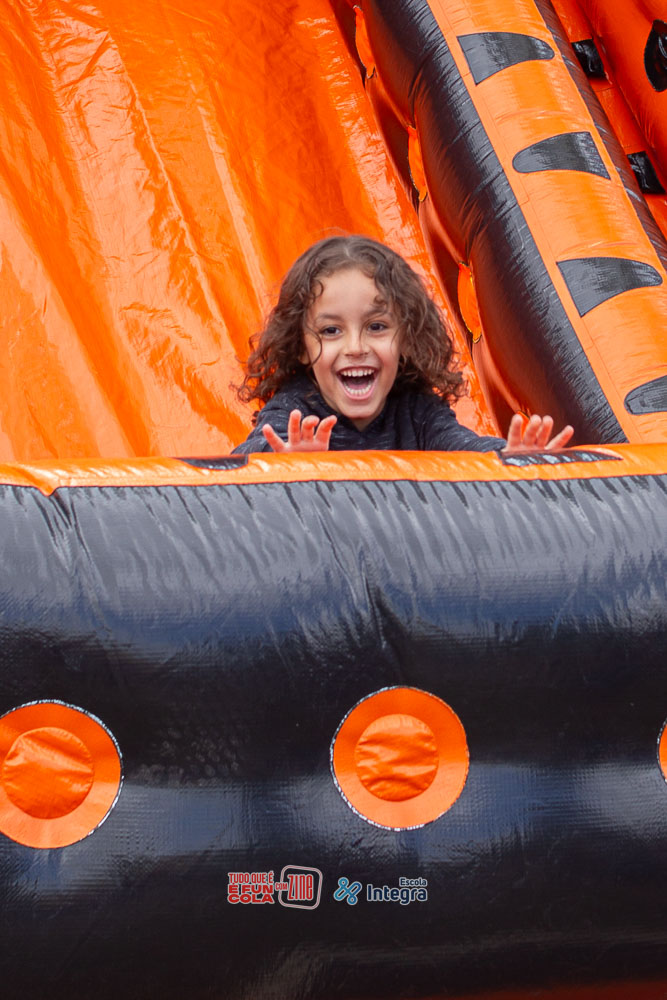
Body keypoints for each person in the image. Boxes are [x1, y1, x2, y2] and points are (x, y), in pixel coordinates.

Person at [233, 235, 574, 455]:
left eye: (376, 327)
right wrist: (283, 462)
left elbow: (463, 449)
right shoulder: (296, 410)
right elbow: (245, 460)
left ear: (407, 338)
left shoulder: (416, 412)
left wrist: (507, 458)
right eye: (331, 330)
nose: (355, 347)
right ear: (301, 347)